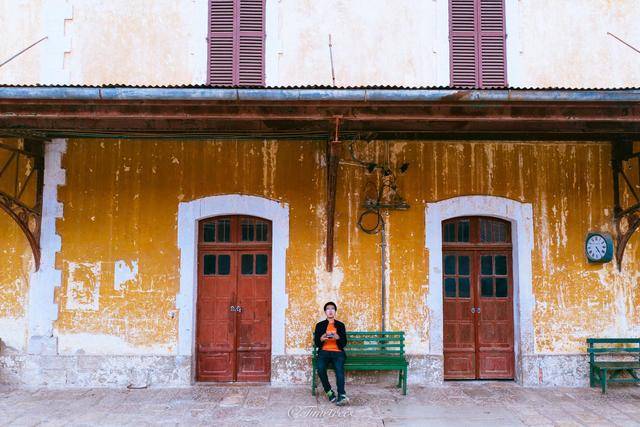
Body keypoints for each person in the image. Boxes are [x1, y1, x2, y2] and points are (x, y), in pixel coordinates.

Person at [313, 301, 348, 406]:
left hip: (338, 352)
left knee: (339, 369)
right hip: (324, 352)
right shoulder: (319, 325)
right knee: (320, 368)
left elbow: (344, 343)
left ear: (335, 311)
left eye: (332, 308)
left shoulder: (340, 325)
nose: (330, 311)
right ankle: (329, 391)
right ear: (325, 312)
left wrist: (338, 337)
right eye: (328, 309)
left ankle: (341, 395)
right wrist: (321, 338)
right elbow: (317, 343)